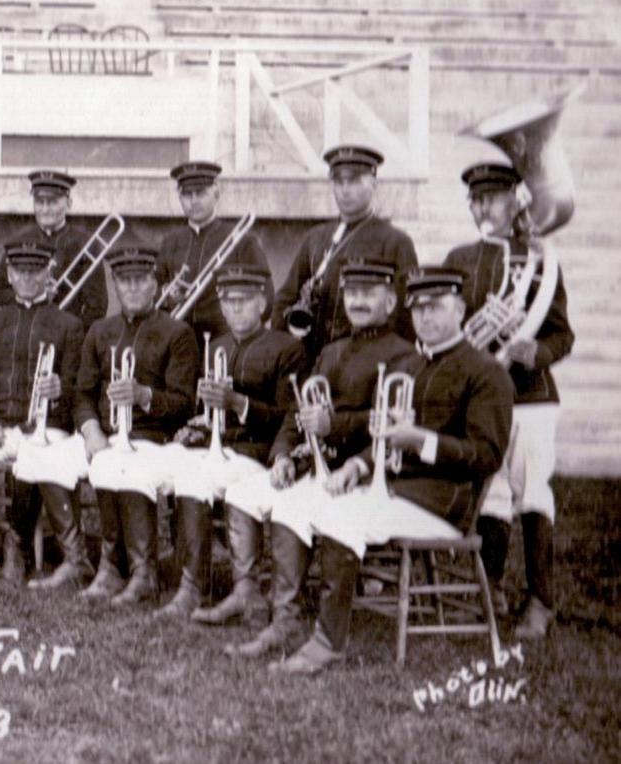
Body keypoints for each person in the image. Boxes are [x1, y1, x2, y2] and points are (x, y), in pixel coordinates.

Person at [273, 267, 512, 674]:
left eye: (435, 307)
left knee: (343, 514)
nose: (424, 317)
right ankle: (286, 619)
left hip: (448, 500)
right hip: (401, 488)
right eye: (417, 309)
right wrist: (357, 465)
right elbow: (384, 436)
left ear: (460, 309)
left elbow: (487, 455)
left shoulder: (485, 371)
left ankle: (328, 642)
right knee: (306, 501)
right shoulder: (415, 366)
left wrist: (419, 440)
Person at [222, 259, 419, 659]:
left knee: (305, 507)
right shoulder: (331, 351)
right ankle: (285, 619)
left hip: (366, 472)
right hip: (319, 467)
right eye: (352, 293)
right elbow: (300, 414)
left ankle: (308, 627)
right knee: (281, 503)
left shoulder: (406, 357)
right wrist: (282, 456)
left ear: (392, 300)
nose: (358, 301)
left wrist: (336, 425)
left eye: (370, 293)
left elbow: (393, 422)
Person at [446, 161, 573, 640]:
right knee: (491, 493)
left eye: (491, 198)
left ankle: (541, 600)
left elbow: (563, 335)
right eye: (475, 200)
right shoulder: (459, 258)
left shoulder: (540, 260)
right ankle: (491, 588)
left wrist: (536, 350)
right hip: (483, 395)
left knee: (531, 492)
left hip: (530, 397)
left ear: (515, 201)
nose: (482, 208)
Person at [153, 265, 306, 621]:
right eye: (229, 302)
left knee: (195, 479)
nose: (236, 309)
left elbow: (287, 416)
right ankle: (192, 584)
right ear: (220, 307)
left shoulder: (288, 348)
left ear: (262, 303)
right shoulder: (216, 347)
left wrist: (237, 403)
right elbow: (208, 411)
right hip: (219, 447)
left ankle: (233, 589)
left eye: (245, 301)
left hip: (258, 450)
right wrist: (201, 421)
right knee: (181, 471)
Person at [0, 241, 84, 584]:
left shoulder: (69, 325)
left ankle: (17, 544)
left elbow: (79, 388)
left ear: (47, 273)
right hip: (0, 424)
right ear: (8, 274)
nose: (26, 278)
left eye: (35, 271)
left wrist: (60, 390)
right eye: (19, 271)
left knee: (32, 460)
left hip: (46, 425)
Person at [72, 246, 200, 606]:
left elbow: (183, 404)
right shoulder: (100, 331)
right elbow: (81, 394)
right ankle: (113, 568)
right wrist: (91, 430)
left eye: (140, 280)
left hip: (155, 438)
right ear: (114, 285)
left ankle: (143, 572)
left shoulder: (177, 333)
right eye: (124, 281)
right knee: (107, 461)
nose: (131, 288)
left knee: (123, 465)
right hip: (108, 434)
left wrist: (144, 395)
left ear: (155, 284)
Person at [274, 145, 418, 351]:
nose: (345, 189)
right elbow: (285, 299)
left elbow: (404, 317)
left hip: (368, 360)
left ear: (374, 183)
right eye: (339, 181)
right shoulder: (315, 238)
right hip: (312, 360)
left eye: (354, 181)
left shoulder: (396, 242)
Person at [153, 161, 268, 343]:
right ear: (180, 198)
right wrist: (167, 294)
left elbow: (266, 297)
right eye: (187, 195)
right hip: (176, 340)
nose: (193, 201)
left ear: (216, 193)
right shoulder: (170, 242)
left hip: (227, 340)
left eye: (200, 193)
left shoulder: (241, 240)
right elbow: (152, 291)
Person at [0, 170, 108, 328]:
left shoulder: (86, 243)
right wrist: (31, 295)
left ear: (69, 202)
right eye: (39, 202)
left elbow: (97, 307)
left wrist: (71, 334)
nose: (45, 209)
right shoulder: (20, 240)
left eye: (53, 202)